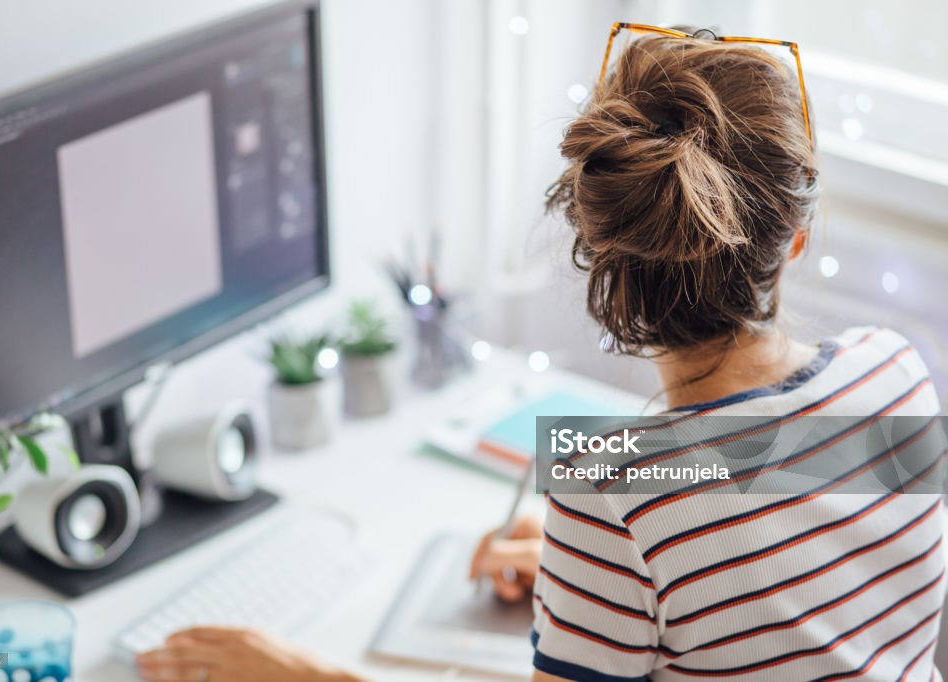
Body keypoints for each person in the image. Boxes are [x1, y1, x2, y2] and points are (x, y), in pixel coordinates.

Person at [137, 25, 944, 682]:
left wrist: (310, 677)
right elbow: (772, 549)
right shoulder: (896, 372)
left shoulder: (614, 489)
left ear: (593, 243)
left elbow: (697, 516)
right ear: (794, 241)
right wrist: (594, 583)